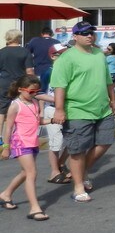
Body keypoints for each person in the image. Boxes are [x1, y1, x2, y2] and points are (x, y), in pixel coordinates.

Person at [50, 20, 115, 203]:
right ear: (75, 36)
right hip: (77, 110)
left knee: (106, 141)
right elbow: (59, 86)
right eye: (85, 33)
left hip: (102, 109)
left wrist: (113, 99)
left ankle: (82, 171)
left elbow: (107, 79)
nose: (89, 36)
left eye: (91, 33)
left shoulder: (99, 55)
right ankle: (78, 187)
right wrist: (59, 109)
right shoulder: (66, 58)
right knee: (77, 150)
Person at [0, 75, 51, 220]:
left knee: (25, 172)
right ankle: (34, 208)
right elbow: (8, 128)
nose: (34, 94)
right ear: (20, 90)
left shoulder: (34, 102)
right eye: (31, 91)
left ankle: (6, 194)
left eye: (36, 91)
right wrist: (6, 147)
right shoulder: (15, 105)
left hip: (32, 141)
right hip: (20, 142)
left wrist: (53, 120)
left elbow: (37, 120)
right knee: (31, 173)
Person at [37, 43, 71, 184]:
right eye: (62, 55)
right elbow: (38, 93)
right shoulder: (48, 72)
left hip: (70, 108)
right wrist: (55, 100)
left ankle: (61, 163)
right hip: (52, 109)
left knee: (74, 139)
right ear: (53, 56)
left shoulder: (70, 70)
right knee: (56, 142)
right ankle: (54, 172)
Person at [0, 29, 35, 149]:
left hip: (4, 82)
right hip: (20, 83)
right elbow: (29, 71)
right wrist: (33, 82)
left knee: (2, 110)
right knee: (20, 107)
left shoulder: (1, 52)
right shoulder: (25, 52)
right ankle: (17, 134)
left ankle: (0, 138)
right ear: (17, 38)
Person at [26, 27, 58, 92]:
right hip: (52, 71)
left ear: (41, 34)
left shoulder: (34, 41)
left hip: (38, 71)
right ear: (51, 34)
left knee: (39, 93)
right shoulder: (56, 42)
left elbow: (27, 53)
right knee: (51, 93)